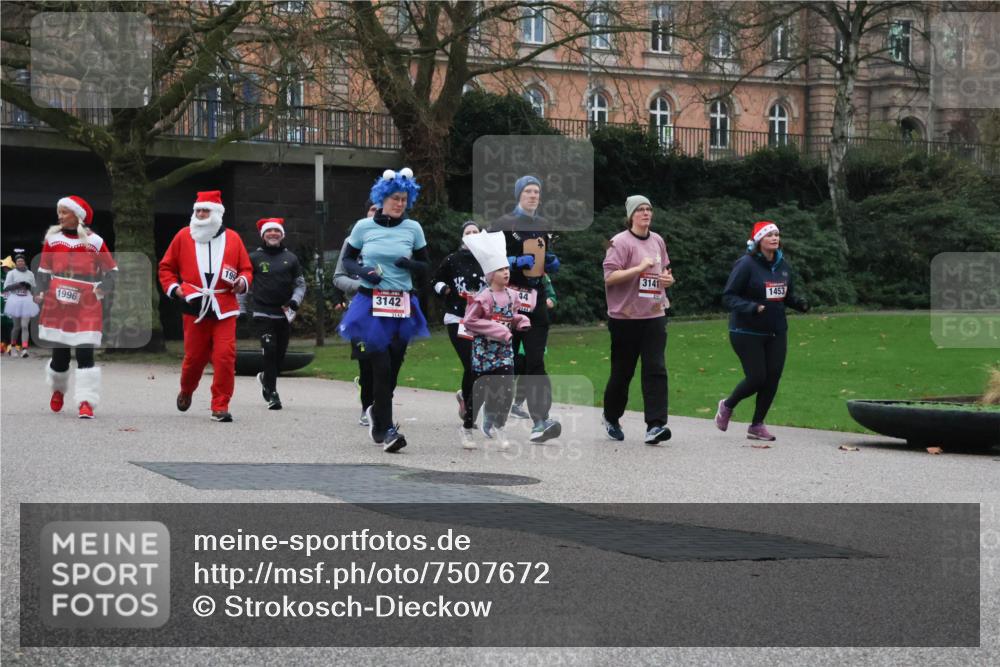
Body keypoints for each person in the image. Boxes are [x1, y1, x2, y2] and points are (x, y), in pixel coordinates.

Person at [337, 168, 430, 453]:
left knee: (394, 366)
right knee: (381, 365)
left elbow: (426, 267)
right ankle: (388, 430)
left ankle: (378, 414)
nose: (399, 204)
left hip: (402, 303)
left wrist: (409, 264)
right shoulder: (363, 227)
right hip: (370, 303)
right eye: (394, 198)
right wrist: (364, 271)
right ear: (382, 198)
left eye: (404, 199)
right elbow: (348, 261)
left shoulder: (413, 228)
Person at [158, 190, 253, 422]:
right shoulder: (183, 236)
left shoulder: (233, 238)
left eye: (206, 210)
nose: (201, 214)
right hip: (195, 305)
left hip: (224, 306)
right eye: (198, 210)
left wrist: (242, 282)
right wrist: (175, 289)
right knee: (194, 359)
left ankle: (220, 405)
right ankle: (186, 389)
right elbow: (166, 268)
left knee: (225, 357)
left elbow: (246, 269)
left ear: (216, 213)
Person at [715, 220, 809, 441]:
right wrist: (752, 307)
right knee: (757, 377)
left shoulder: (783, 265)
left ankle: (757, 425)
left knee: (772, 378)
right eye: (769, 235)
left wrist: (799, 303)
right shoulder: (746, 264)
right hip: (746, 331)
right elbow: (728, 296)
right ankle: (727, 405)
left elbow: (785, 295)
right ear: (759, 240)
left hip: (776, 330)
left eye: (777, 234)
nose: (774, 238)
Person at [489, 175, 561, 443]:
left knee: (535, 360)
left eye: (536, 192)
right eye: (528, 191)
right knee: (504, 362)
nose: (533, 195)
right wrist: (514, 261)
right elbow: (488, 260)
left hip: (535, 300)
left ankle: (540, 420)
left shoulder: (543, 225)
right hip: (507, 301)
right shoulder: (503, 224)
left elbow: (544, 257)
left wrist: (551, 262)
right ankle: (488, 409)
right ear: (519, 195)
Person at [35, 196, 118, 418]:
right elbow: (44, 270)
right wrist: (41, 291)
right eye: (59, 212)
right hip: (58, 302)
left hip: (86, 303)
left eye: (64, 212)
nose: (60, 216)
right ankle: (58, 389)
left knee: (84, 352)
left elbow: (112, 272)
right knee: (60, 357)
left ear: (78, 216)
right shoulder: (53, 240)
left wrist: (101, 289)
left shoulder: (95, 242)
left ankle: (86, 401)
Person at [601, 195, 675, 444]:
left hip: (654, 314)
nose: (646, 213)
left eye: (649, 209)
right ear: (631, 215)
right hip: (625, 317)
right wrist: (638, 268)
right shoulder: (619, 242)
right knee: (623, 372)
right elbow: (609, 277)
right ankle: (611, 417)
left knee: (656, 368)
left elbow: (665, 271)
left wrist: (668, 280)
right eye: (640, 210)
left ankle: (655, 425)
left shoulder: (658, 240)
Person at [462, 231, 531, 450]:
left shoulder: (512, 295)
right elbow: (470, 321)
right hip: (484, 352)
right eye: (501, 269)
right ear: (491, 275)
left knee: (507, 390)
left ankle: (499, 426)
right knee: (479, 394)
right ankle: (467, 428)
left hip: (504, 351)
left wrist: (521, 321)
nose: (506, 272)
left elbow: (511, 316)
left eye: (507, 268)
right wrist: (498, 330)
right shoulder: (484, 297)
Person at [432, 220, 485, 443]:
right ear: (462, 237)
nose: (471, 235)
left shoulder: (488, 258)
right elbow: (435, 280)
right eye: (467, 232)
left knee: (478, 367)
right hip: (458, 318)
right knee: (472, 363)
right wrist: (443, 288)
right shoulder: (452, 260)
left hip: (482, 320)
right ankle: (470, 412)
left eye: (475, 231)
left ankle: (466, 398)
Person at [248, 218, 306, 411]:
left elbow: (300, 284)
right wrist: (240, 309)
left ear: (282, 235)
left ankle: (266, 377)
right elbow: (244, 285)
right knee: (269, 349)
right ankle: (273, 394)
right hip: (262, 311)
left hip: (283, 313)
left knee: (279, 355)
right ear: (263, 235)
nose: (273, 234)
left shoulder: (291, 258)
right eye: (269, 231)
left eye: (276, 231)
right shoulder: (254, 257)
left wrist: (295, 301)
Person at [333, 200, 377, 427]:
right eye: (373, 209)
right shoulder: (351, 242)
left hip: (390, 311)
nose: (377, 213)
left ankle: (382, 405)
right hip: (359, 311)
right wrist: (361, 287)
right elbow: (338, 277)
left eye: (381, 209)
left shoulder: (399, 240)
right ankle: (368, 407)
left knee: (387, 363)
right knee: (366, 363)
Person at [510, 273, 557, 419]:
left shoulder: (542, 276)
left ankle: (518, 404)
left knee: (529, 366)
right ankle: (477, 394)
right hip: (512, 325)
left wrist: (549, 301)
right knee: (512, 366)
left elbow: (552, 297)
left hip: (533, 326)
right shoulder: (508, 272)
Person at [3, 250, 40, 357]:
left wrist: (31, 289)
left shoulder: (30, 274)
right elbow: (6, 287)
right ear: (16, 263)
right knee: (16, 327)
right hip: (15, 301)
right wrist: (18, 285)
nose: (20, 262)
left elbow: (34, 288)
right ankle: (13, 347)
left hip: (27, 301)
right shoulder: (11, 273)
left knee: (24, 326)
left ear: (24, 262)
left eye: (22, 261)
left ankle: (24, 350)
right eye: (18, 261)